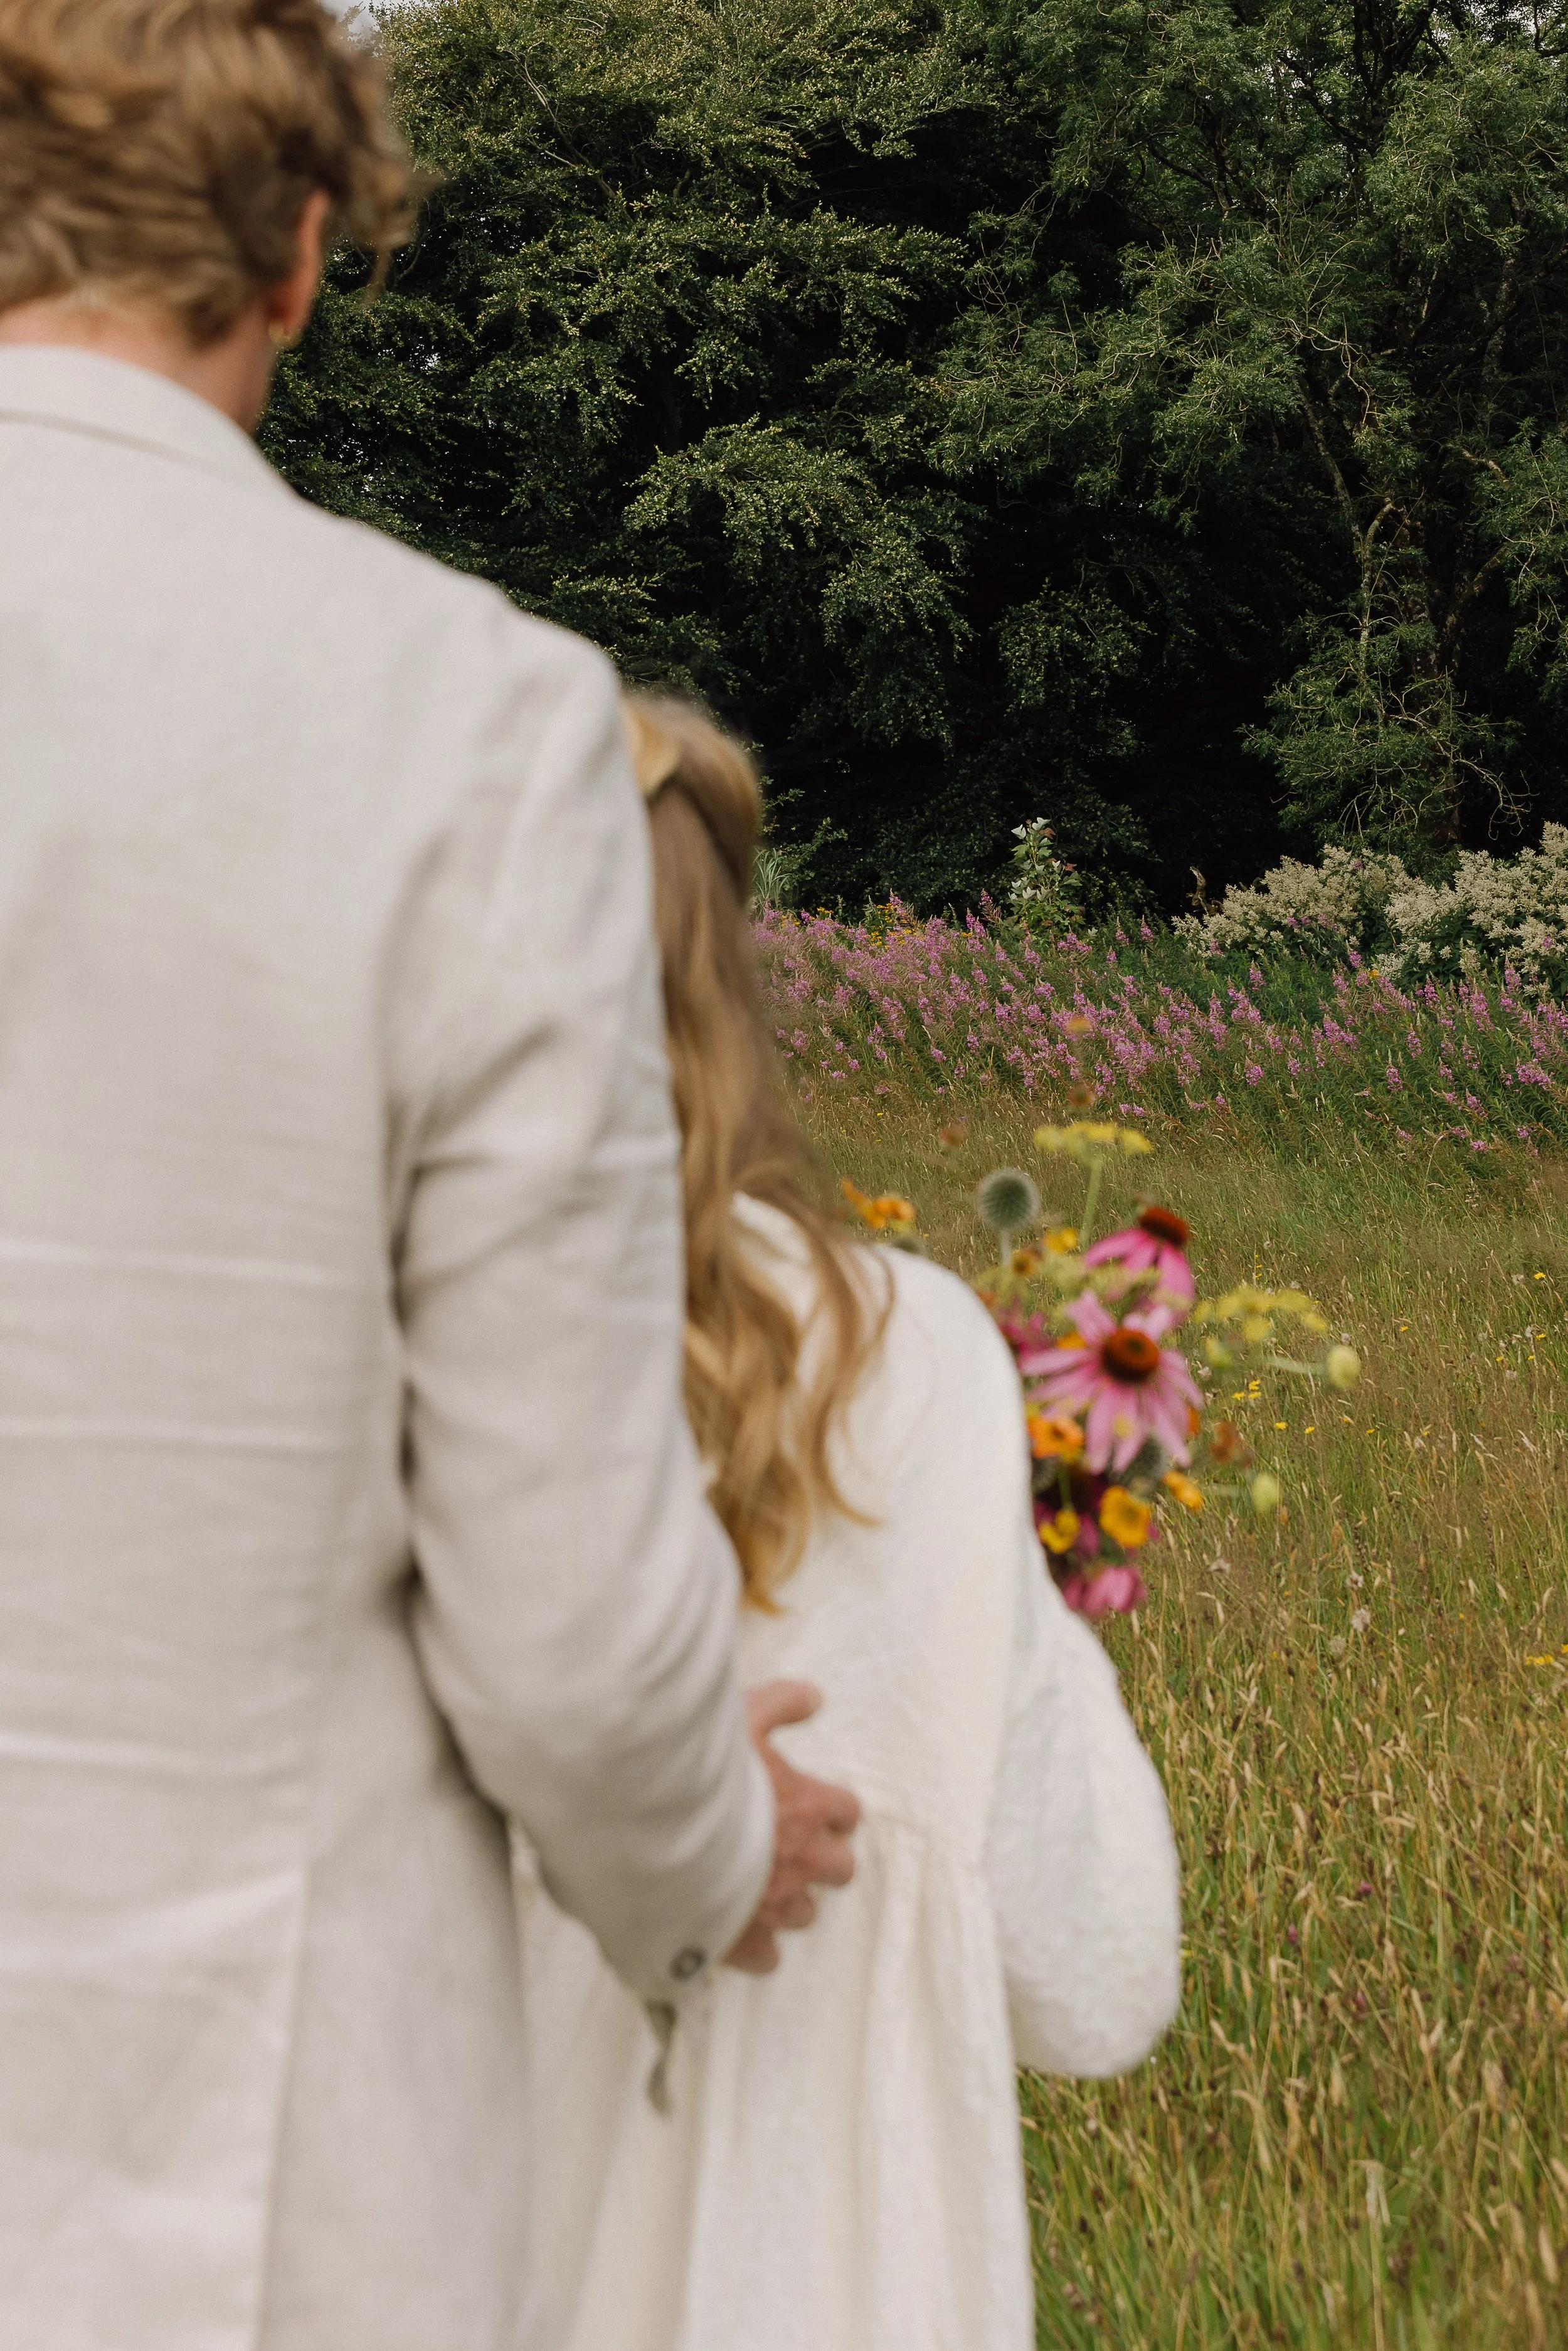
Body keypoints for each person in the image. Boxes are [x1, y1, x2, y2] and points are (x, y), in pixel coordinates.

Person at [0, 8, 857, 2349]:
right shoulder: (467, 716)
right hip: (255, 2182)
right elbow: (568, 1612)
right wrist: (698, 1854)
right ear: (297, 251)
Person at [512, 698, 1184, 2351]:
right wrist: (1025, 1621)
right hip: (847, 2277)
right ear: (733, 973)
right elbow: (1096, 1976)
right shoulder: (927, 1349)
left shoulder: (424, 1329)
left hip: (492, 2226)